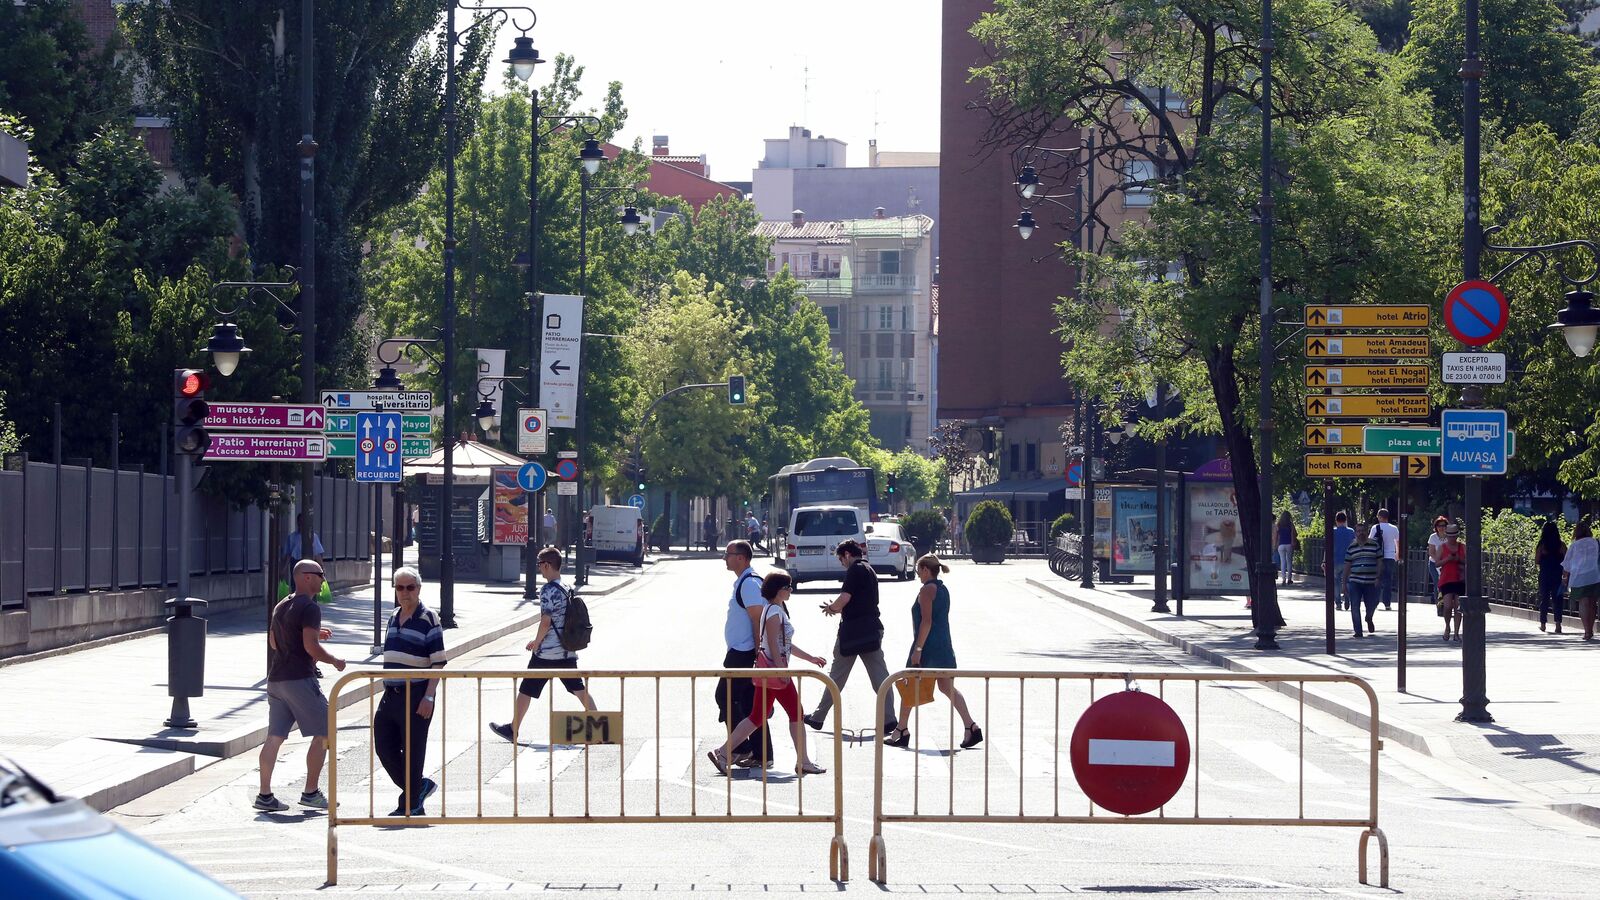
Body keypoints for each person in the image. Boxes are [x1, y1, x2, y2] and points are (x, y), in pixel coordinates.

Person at [707, 572, 828, 777]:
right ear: (778, 590)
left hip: (769, 671)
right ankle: (804, 761)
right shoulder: (774, 612)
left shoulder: (772, 610)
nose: (790, 590)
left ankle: (723, 753)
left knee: (757, 717)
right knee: (795, 714)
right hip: (774, 671)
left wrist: (810, 658)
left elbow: (784, 644)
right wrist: (782, 671)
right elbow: (773, 643)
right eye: (787, 587)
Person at [255, 560, 346, 813]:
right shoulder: (310, 607)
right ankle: (311, 792)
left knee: (274, 738)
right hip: (299, 680)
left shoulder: (281, 605)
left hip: (276, 680)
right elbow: (310, 648)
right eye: (320, 574)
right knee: (326, 731)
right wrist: (335, 661)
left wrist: (314, 635)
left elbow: (274, 642)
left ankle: (264, 796)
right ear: (306, 577)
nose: (323, 579)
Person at [490, 547, 595, 743]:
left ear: (547, 565)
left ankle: (513, 729)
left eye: (540, 565)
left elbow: (546, 621)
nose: (540, 569)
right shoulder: (567, 586)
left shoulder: (548, 590)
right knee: (579, 689)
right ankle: (599, 724)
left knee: (526, 689)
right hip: (567, 651)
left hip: (546, 653)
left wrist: (536, 643)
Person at [884, 555, 981, 751]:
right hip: (943, 644)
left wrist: (918, 649)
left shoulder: (927, 590)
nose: (918, 574)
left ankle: (901, 731)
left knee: (910, 683)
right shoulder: (943, 589)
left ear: (926, 570)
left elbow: (926, 621)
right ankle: (971, 726)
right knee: (947, 687)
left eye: (919, 570)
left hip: (928, 646)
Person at [804, 540, 898, 735]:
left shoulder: (854, 570)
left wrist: (832, 608)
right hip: (871, 630)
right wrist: (839, 607)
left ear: (847, 554)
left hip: (852, 633)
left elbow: (845, 598)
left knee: (836, 677)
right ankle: (889, 720)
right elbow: (860, 601)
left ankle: (818, 717)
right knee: (881, 678)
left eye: (840, 558)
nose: (841, 563)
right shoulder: (869, 569)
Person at [374, 566, 445, 816]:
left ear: (418, 589)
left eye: (410, 587)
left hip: (416, 692)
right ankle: (419, 786)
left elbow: (438, 662)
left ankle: (411, 802)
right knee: (383, 746)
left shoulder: (429, 617)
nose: (405, 592)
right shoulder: (393, 615)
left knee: (413, 750)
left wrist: (428, 696)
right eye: (400, 587)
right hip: (390, 693)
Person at [712, 540, 774, 767]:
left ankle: (740, 748)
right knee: (750, 703)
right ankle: (762, 754)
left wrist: (758, 653)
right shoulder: (745, 581)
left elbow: (757, 619)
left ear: (741, 557)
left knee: (724, 697)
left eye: (727, 554)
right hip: (743, 650)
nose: (724, 559)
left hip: (745, 652)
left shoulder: (749, 583)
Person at [1342, 523, 1382, 638]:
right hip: (1355, 581)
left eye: (1363, 530)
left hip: (1371, 581)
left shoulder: (1374, 545)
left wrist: (1378, 577)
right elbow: (1347, 566)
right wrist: (1344, 583)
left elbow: (1380, 562)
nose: (1361, 533)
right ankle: (1358, 631)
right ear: (1355, 533)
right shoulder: (1351, 547)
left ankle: (1369, 617)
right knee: (1355, 605)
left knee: (1372, 604)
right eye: (1358, 531)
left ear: (1367, 531)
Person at [1563, 521, 1600, 642]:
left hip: (1579, 577)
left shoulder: (1574, 545)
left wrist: (1565, 577)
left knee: (1584, 603)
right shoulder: (1595, 542)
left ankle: (1587, 631)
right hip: (1594, 576)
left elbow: (1567, 563)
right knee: (1592, 603)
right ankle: (1591, 628)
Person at [1434, 523, 1466, 642]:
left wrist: (1459, 559)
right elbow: (1437, 563)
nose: (1452, 538)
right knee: (1447, 606)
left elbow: (1468, 561)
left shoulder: (1462, 547)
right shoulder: (1442, 547)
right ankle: (1447, 627)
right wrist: (1447, 559)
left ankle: (1457, 633)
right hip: (1446, 579)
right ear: (1446, 536)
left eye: (1454, 536)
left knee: (1458, 606)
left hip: (1459, 579)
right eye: (1450, 536)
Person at [1536, 520, 1567, 634]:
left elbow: (1537, 560)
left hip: (1545, 574)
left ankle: (1543, 624)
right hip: (1557, 574)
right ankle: (1558, 625)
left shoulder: (1542, 544)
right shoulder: (1561, 544)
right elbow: (1566, 560)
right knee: (1557, 599)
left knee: (1544, 598)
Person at [1370, 509, 1400, 611]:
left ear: (1380, 517)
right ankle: (1387, 603)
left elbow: (1370, 541)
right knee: (1388, 580)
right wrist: (1397, 553)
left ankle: (1375, 601)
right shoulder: (1394, 528)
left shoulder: (1375, 527)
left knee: (1378, 579)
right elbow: (1397, 542)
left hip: (1378, 557)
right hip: (1390, 556)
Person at [1328, 512, 1355, 611]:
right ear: (1345, 520)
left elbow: (1328, 547)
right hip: (1348, 560)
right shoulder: (1351, 531)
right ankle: (1347, 597)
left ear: (1336, 520)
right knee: (1347, 581)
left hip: (1335, 560)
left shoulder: (1332, 532)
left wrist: (1324, 561)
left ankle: (1338, 603)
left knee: (1336, 582)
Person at [1275, 511, 1297, 585]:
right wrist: (1293, 541)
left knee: (1283, 562)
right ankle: (1289, 579)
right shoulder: (1290, 524)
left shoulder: (1279, 524)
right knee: (1289, 562)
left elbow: (1277, 535)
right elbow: (1294, 533)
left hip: (1281, 545)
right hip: (1289, 544)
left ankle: (1283, 579)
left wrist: (1276, 544)